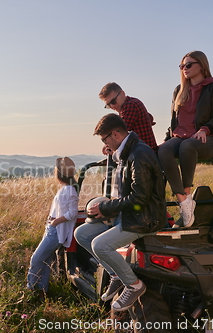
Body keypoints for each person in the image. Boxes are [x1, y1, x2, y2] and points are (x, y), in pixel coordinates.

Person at [74, 114, 166, 312]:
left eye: (105, 139)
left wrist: (105, 208)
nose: (104, 143)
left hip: (144, 218)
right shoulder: (127, 152)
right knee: (81, 234)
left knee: (100, 245)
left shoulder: (139, 155)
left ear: (115, 134)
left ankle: (134, 285)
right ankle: (115, 275)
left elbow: (139, 199)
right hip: (129, 214)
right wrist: (111, 153)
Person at [158, 51, 213, 228]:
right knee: (164, 149)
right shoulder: (179, 90)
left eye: (188, 65)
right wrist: (167, 139)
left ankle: (187, 194)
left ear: (202, 65)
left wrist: (205, 129)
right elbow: (174, 122)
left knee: (188, 146)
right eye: (182, 66)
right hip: (181, 137)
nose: (184, 69)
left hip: (207, 139)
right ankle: (184, 201)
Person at [27, 157, 79, 298]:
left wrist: (56, 221)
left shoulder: (69, 189)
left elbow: (73, 213)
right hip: (51, 229)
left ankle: (30, 291)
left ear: (59, 173)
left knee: (36, 259)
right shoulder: (64, 188)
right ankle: (42, 291)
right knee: (45, 260)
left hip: (56, 231)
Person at [99, 82, 158, 152]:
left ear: (122, 93)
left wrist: (108, 145)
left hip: (143, 156)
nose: (112, 106)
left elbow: (119, 135)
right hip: (143, 153)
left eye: (113, 101)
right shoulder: (132, 104)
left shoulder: (131, 105)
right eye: (108, 105)